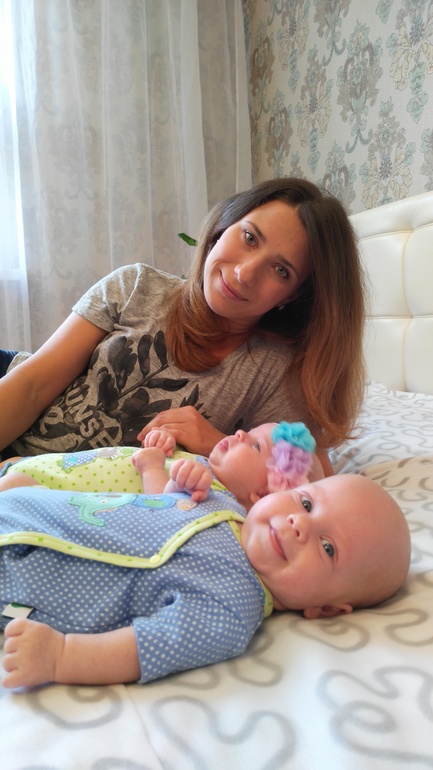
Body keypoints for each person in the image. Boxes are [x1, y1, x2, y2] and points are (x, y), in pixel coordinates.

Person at [0, 178, 366, 475]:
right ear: (223, 227)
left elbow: (312, 485)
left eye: (281, 270)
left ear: (292, 295)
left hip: (56, 489)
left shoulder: (274, 373)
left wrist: (218, 444)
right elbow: (34, 385)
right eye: (250, 237)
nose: (244, 273)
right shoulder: (135, 285)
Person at [0, 471, 410, 690]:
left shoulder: (232, 610)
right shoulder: (224, 500)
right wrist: (180, 481)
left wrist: (61, 657)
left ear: (326, 608)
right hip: (37, 510)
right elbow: (158, 504)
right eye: (306, 502)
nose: (299, 524)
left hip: (25, 576)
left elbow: (145, 646)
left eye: (328, 548)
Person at [0, 421, 324, 510]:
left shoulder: (213, 497)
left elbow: (161, 510)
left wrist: (154, 468)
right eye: (249, 431)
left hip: (52, 491)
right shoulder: (202, 467)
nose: (240, 433)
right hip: (49, 467)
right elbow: (157, 457)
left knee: (13, 489)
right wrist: (163, 444)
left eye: (255, 445)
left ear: (263, 493)